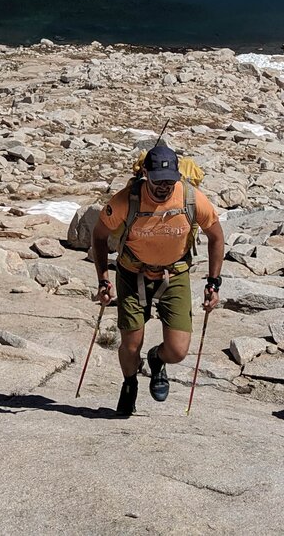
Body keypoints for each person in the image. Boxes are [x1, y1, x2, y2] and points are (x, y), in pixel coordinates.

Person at [91, 141, 225, 417]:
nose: (164, 187)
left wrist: (213, 283)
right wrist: (103, 279)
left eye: (169, 181)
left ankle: (156, 359)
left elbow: (216, 236)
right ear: (145, 175)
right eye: (158, 181)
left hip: (174, 274)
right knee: (130, 344)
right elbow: (99, 236)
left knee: (177, 351)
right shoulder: (126, 200)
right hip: (132, 273)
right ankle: (130, 383)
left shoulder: (190, 198)